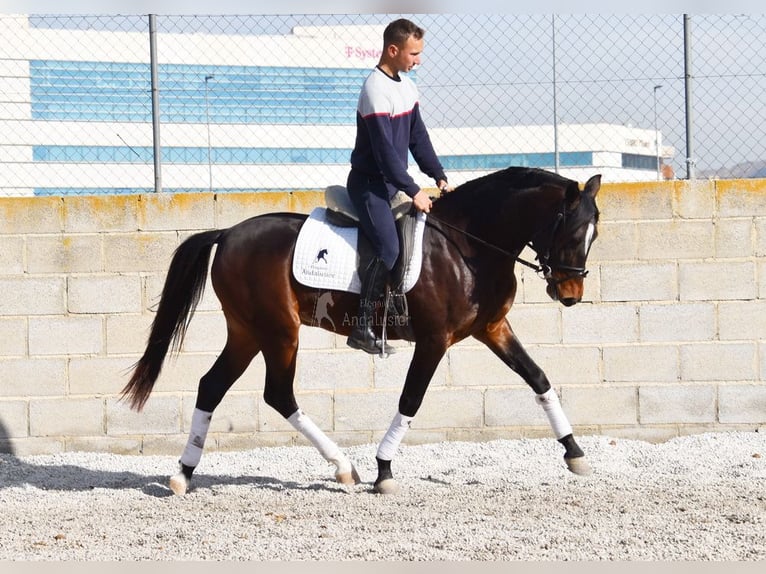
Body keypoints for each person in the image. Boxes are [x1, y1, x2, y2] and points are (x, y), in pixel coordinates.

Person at [346, 18, 449, 355]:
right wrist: (414, 189)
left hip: (392, 184)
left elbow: (417, 138)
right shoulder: (374, 89)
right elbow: (385, 154)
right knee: (389, 248)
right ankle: (362, 327)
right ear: (393, 50)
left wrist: (438, 175)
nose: (418, 60)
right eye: (413, 53)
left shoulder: (406, 87)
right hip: (369, 185)